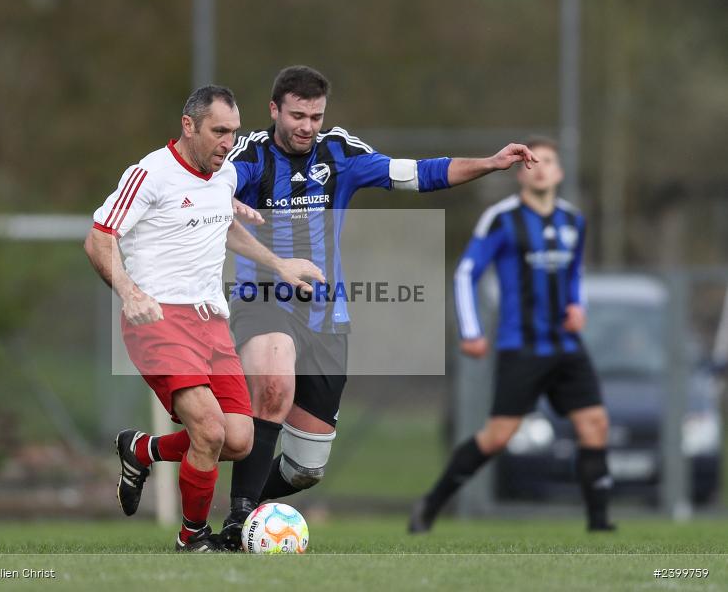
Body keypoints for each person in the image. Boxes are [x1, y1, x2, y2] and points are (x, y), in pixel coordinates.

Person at [216, 65, 540, 550]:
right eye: (298, 115)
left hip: (326, 317)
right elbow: (208, 184)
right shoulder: (249, 156)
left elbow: (416, 174)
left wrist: (490, 163)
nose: (307, 126)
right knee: (274, 385)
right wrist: (224, 198)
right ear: (274, 110)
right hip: (261, 299)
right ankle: (236, 524)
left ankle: (239, 503)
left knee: (305, 469)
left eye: (316, 116)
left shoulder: (339, 152)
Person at [84, 85, 323, 552]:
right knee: (209, 431)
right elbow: (98, 239)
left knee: (238, 440)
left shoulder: (224, 174)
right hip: (157, 320)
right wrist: (129, 292)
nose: (227, 142)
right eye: (218, 131)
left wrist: (279, 265)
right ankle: (192, 539)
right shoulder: (150, 174)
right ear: (188, 125)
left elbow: (222, 222)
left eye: (233, 132)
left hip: (211, 321)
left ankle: (142, 450)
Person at [408, 136, 615, 533]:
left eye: (549, 161)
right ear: (521, 172)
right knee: (498, 437)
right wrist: (471, 331)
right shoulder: (502, 219)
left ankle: (600, 526)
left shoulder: (574, 221)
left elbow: (575, 275)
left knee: (595, 425)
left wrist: (579, 307)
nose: (540, 167)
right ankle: (431, 505)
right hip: (521, 346)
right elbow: (466, 273)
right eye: (532, 162)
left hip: (567, 347)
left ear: (560, 172)